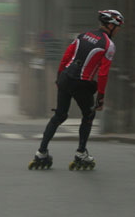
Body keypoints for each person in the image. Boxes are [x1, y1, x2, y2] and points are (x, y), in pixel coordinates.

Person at [28, 9, 124, 170]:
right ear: (110, 25)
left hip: (66, 77)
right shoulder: (109, 45)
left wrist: (59, 77)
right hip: (82, 83)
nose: (119, 30)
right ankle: (81, 154)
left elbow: (67, 56)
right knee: (88, 115)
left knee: (59, 115)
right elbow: (103, 73)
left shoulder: (82, 35)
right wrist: (100, 97)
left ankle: (41, 152)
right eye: (119, 26)